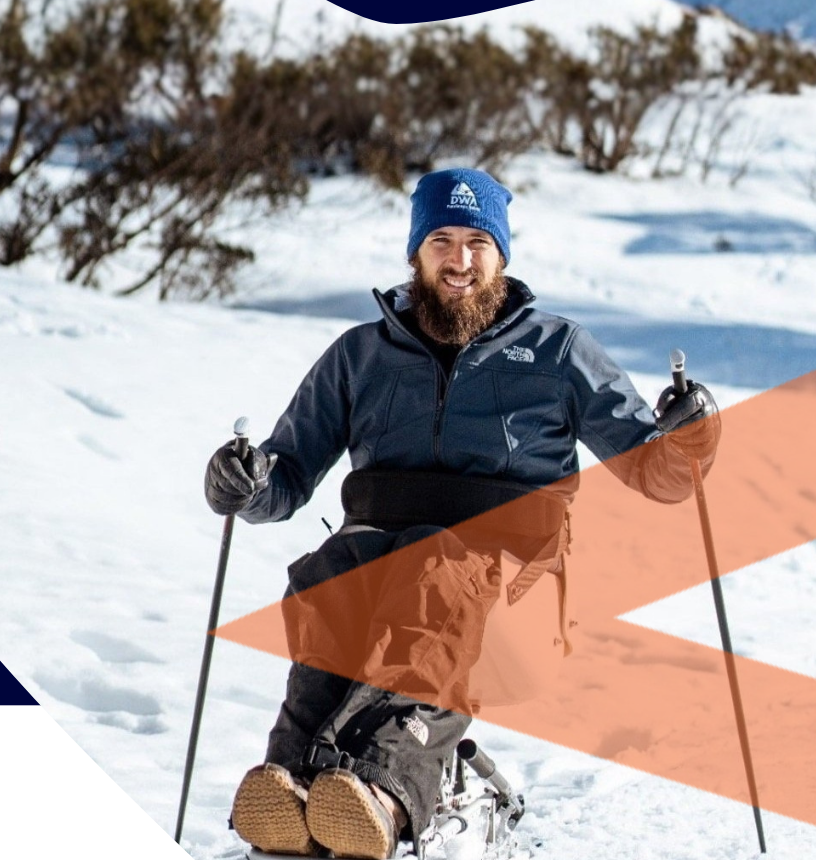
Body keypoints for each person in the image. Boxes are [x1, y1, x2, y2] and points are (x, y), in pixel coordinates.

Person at [205, 168, 720, 858]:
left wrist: (693, 431)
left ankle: (382, 793)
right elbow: (286, 475)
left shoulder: (558, 351)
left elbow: (657, 474)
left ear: (501, 255)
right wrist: (241, 482)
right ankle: (291, 791)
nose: (460, 259)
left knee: (435, 576)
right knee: (328, 580)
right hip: (377, 557)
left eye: (478, 241)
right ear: (415, 252)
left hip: (510, 578)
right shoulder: (359, 355)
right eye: (441, 239)